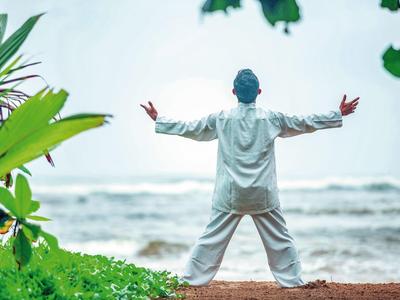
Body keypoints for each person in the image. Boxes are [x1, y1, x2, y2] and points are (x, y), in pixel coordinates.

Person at [140, 69, 359, 287]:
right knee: (281, 241)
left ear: (234, 92)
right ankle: (292, 281)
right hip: (262, 193)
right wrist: (336, 114)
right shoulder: (271, 118)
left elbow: (191, 128)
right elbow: (304, 122)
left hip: (230, 194)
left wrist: (160, 119)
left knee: (210, 241)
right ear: (259, 91)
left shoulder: (222, 118)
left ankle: (191, 280)